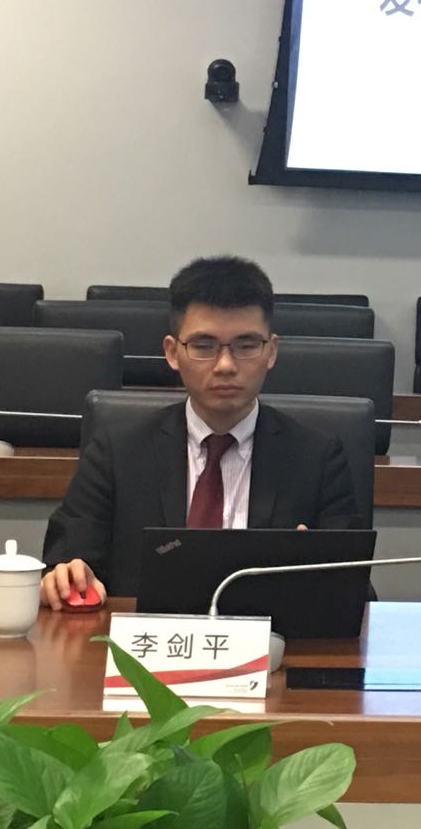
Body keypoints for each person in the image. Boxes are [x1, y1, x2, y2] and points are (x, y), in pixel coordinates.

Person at [40, 256, 358, 608]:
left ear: (271, 352)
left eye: (247, 346)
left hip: (272, 639)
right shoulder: (116, 452)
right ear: (172, 353)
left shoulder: (318, 459)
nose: (226, 365)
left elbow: (355, 591)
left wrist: (317, 574)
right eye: (204, 346)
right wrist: (65, 575)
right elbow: (67, 564)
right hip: (144, 640)